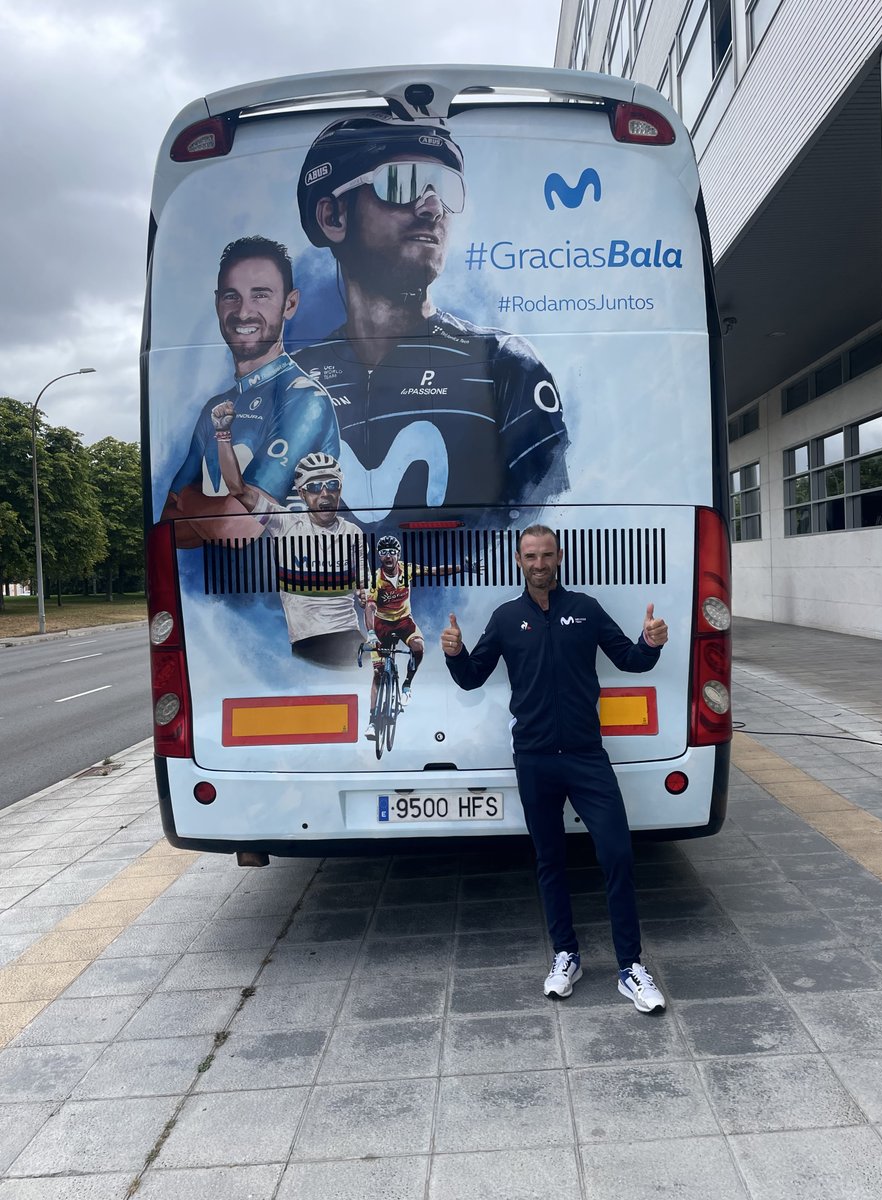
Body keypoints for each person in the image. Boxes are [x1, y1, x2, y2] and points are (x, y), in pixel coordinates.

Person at [293, 114, 569, 520]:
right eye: (400, 183)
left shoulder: (505, 364)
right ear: (333, 217)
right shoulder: (293, 382)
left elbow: (548, 525)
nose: (433, 207)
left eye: (443, 189)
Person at [441, 524, 669, 1013]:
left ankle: (631, 967)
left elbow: (630, 661)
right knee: (550, 860)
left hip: (587, 756)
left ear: (559, 557)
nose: (539, 564)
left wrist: (650, 643)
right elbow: (471, 678)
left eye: (546, 555)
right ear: (519, 560)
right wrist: (455, 654)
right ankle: (566, 955)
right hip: (535, 758)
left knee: (617, 854)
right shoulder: (506, 618)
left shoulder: (584, 610)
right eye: (530, 556)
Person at [163, 236, 340, 547]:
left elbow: (235, 529)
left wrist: (188, 497)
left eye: (260, 296)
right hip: (210, 594)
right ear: (217, 303)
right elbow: (167, 528)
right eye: (232, 296)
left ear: (290, 303)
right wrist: (215, 514)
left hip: (299, 590)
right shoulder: (216, 407)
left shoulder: (304, 398)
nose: (244, 312)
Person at [213, 422, 365, 663]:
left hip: (350, 638)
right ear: (303, 494)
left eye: (332, 485)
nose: (325, 493)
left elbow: (365, 590)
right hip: (307, 642)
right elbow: (237, 489)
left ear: (340, 489)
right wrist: (223, 434)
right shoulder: (284, 522)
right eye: (315, 487)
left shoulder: (353, 532)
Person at [361, 533, 467, 740]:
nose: (388, 556)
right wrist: (371, 633)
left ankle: (407, 684)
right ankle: (372, 723)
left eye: (392, 552)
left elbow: (435, 571)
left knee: (418, 645)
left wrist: (461, 568)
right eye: (384, 553)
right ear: (379, 556)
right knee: (377, 675)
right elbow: (370, 607)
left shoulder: (407, 569)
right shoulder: (375, 578)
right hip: (381, 625)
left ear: (398, 554)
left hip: (404, 621)